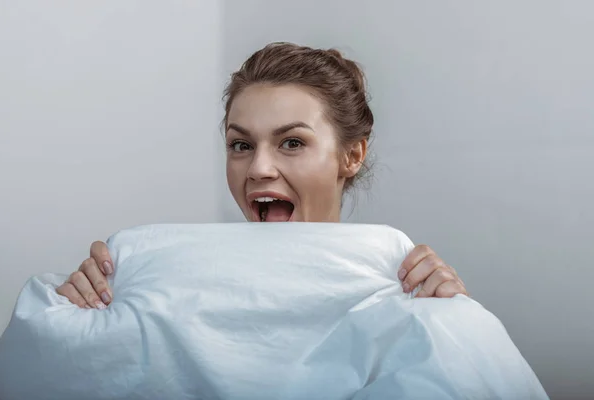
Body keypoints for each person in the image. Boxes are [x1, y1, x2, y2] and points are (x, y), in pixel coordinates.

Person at [56, 42, 468, 310]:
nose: (257, 169)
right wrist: (89, 303)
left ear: (352, 155)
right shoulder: (167, 285)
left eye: (291, 142)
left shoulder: (407, 290)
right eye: (241, 145)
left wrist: (453, 318)